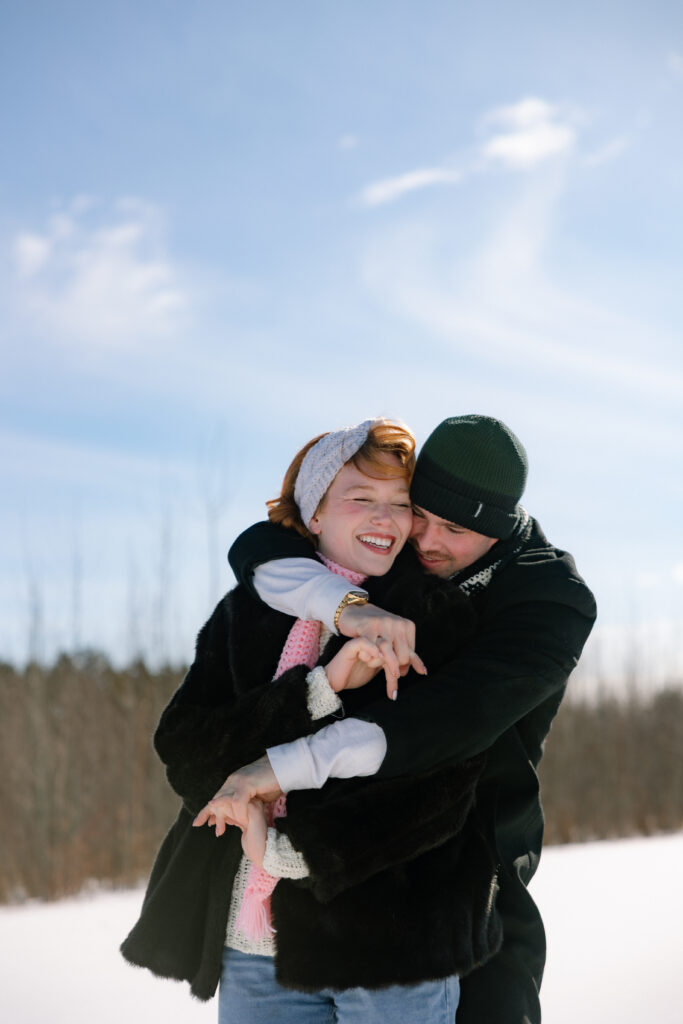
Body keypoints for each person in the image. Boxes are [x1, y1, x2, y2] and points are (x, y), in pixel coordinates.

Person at [121, 417, 502, 1024]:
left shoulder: (432, 618)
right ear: (315, 514)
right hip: (255, 953)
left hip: (391, 948)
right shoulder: (247, 610)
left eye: (400, 504)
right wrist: (319, 689)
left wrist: (289, 852)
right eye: (361, 499)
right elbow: (186, 750)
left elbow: (437, 791)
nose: (386, 519)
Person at [225, 414, 598, 1024]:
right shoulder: (404, 556)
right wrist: (345, 610)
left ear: (499, 530)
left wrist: (284, 766)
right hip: (353, 854)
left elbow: (447, 720)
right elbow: (261, 545)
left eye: (454, 528)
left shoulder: (551, 599)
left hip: (478, 861)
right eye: (419, 513)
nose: (425, 539)